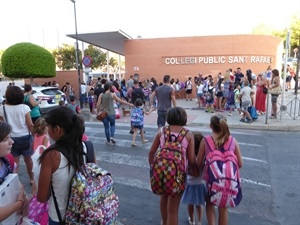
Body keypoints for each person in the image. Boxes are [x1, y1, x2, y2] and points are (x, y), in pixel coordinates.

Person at [37, 107, 96, 225]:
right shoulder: (88, 147)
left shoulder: (51, 156)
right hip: (85, 215)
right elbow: (93, 179)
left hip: (60, 217)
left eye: (48, 127)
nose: (47, 130)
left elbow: (42, 197)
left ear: (57, 129)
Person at [148, 107, 196, 225]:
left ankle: (164, 222)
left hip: (161, 171)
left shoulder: (162, 131)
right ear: (184, 118)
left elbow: (151, 152)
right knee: (173, 210)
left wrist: (153, 167)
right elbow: (191, 159)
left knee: (163, 197)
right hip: (178, 175)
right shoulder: (188, 134)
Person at [196, 114, 243, 225]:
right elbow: (240, 164)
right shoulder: (232, 140)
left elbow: (198, 163)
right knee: (223, 209)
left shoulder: (206, 140)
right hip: (228, 183)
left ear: (210, 126)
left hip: (211, 182)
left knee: (209, 203)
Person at [0, 86, 34, 185]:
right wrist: (35, 136)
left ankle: (15, 181)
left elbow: (2, 127)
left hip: (10, 139)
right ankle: (32, 178)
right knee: (29, 160)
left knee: (15, 163)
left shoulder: (2, 108)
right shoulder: (25, 108)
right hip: (25, 138)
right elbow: (30, 125)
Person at [0, 121, 28, 222]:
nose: (12, 142)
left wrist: (23, 196)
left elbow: (15, 180)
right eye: (5, 139)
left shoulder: (8, 160)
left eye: (10, 137)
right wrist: (20, 203)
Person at [181, 131, 207, 225]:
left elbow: (191, 171)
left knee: (190, 203)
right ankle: (199, 221)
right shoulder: (203, 156)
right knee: (199, 204)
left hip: (190, 184)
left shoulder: (189, 157)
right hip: (201, 184)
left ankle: (192, 220)